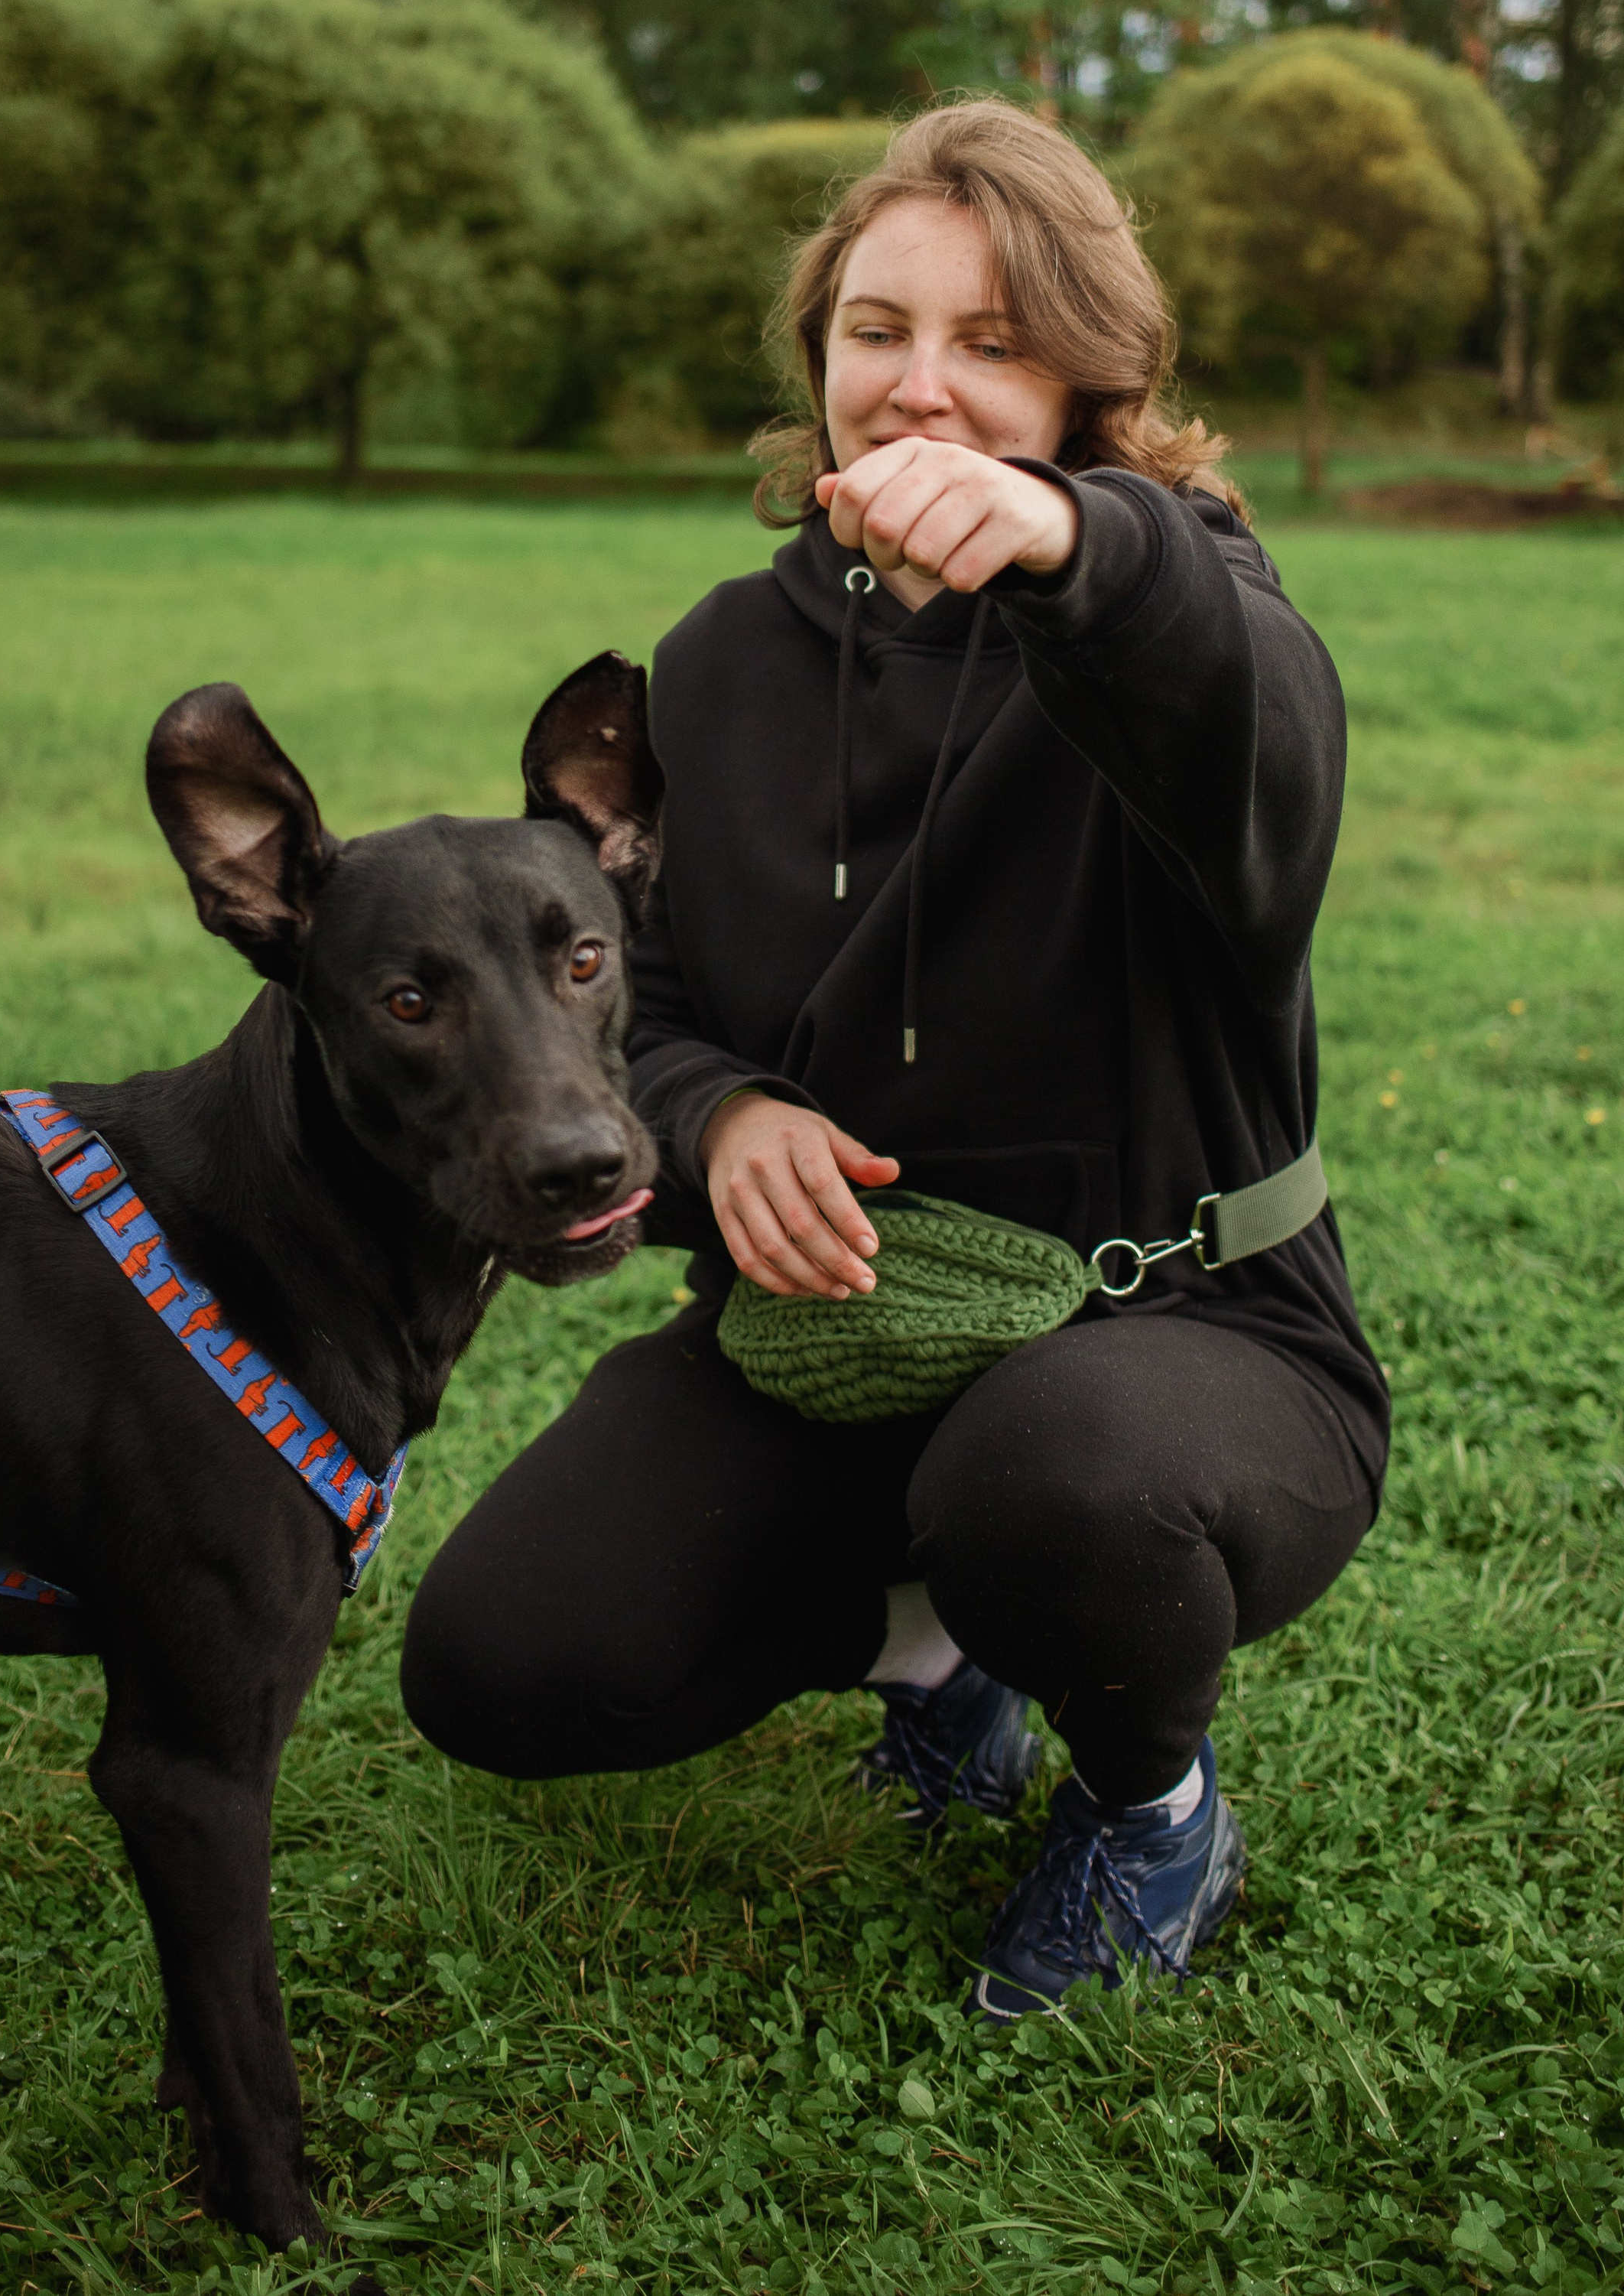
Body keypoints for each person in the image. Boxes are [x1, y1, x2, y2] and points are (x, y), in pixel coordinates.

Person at [401, 98, 1388, 2018]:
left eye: (993, 341)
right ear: (817, 354)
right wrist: (719, 1109)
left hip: (1189, 1330)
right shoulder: (717, 664)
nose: (919, 387)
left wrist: (1075, 545)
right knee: (510, 1659)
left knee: (1053, 1488)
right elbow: (648, 1005)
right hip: (845, 1325)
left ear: (1092, 376)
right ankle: (946, 1660)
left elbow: (1254, 758)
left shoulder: (1192, 607)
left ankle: (1150, 1806)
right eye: (877, 330)